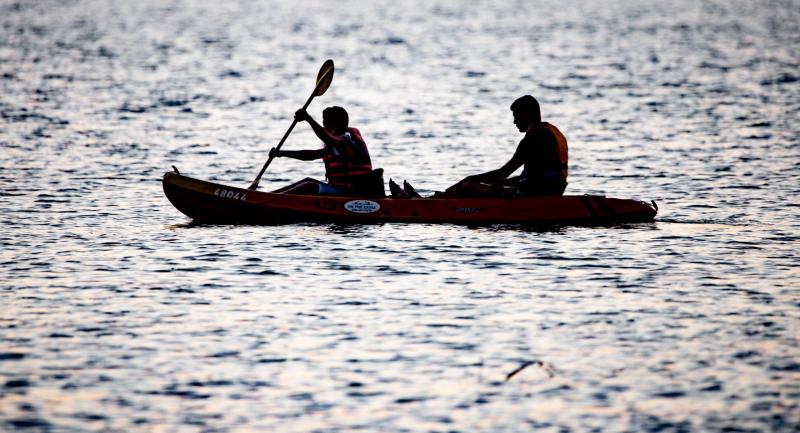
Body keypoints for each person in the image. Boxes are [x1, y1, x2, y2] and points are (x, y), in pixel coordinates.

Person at [394, 95, 568, 198]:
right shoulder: (553, 131)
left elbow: (502, 173)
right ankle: (432, 199)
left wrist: (470, 179)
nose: (514, 122)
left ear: (526, 114)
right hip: (550, 189)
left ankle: (426, 203)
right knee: (478, 184)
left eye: (516, 116)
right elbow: (532, 176)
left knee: (469, 185)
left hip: (537, 194)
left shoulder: (534, 137)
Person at [269, 106, 382, 196]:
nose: (323, 125)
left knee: (309, 186)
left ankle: (270, 200)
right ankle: (269, 195)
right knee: (307, 180)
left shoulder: (345, 139)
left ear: (334, 124)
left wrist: (308, 118)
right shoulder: (337, 143)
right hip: (342, 189)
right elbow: (311, 155)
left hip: (353, 192)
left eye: (325, 122)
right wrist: (281, 153)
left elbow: (327, 138)